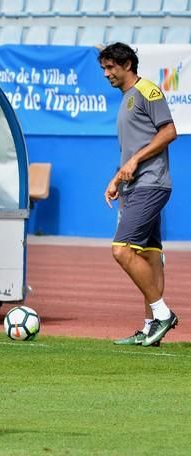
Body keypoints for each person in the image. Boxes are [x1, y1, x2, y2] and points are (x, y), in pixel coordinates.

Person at [99, 42, 177, 347]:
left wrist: (133, 162)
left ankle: (162, 314)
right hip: (134, 185)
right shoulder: (126, 99)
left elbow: (169, 131)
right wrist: (117, 178)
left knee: (121, 250)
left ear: (127, 64)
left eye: (110, 67)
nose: (106, 74)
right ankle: (149, 328)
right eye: (103, 68)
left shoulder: (148, 91)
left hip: (152, 183)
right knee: (151, 256)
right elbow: (133, 150)